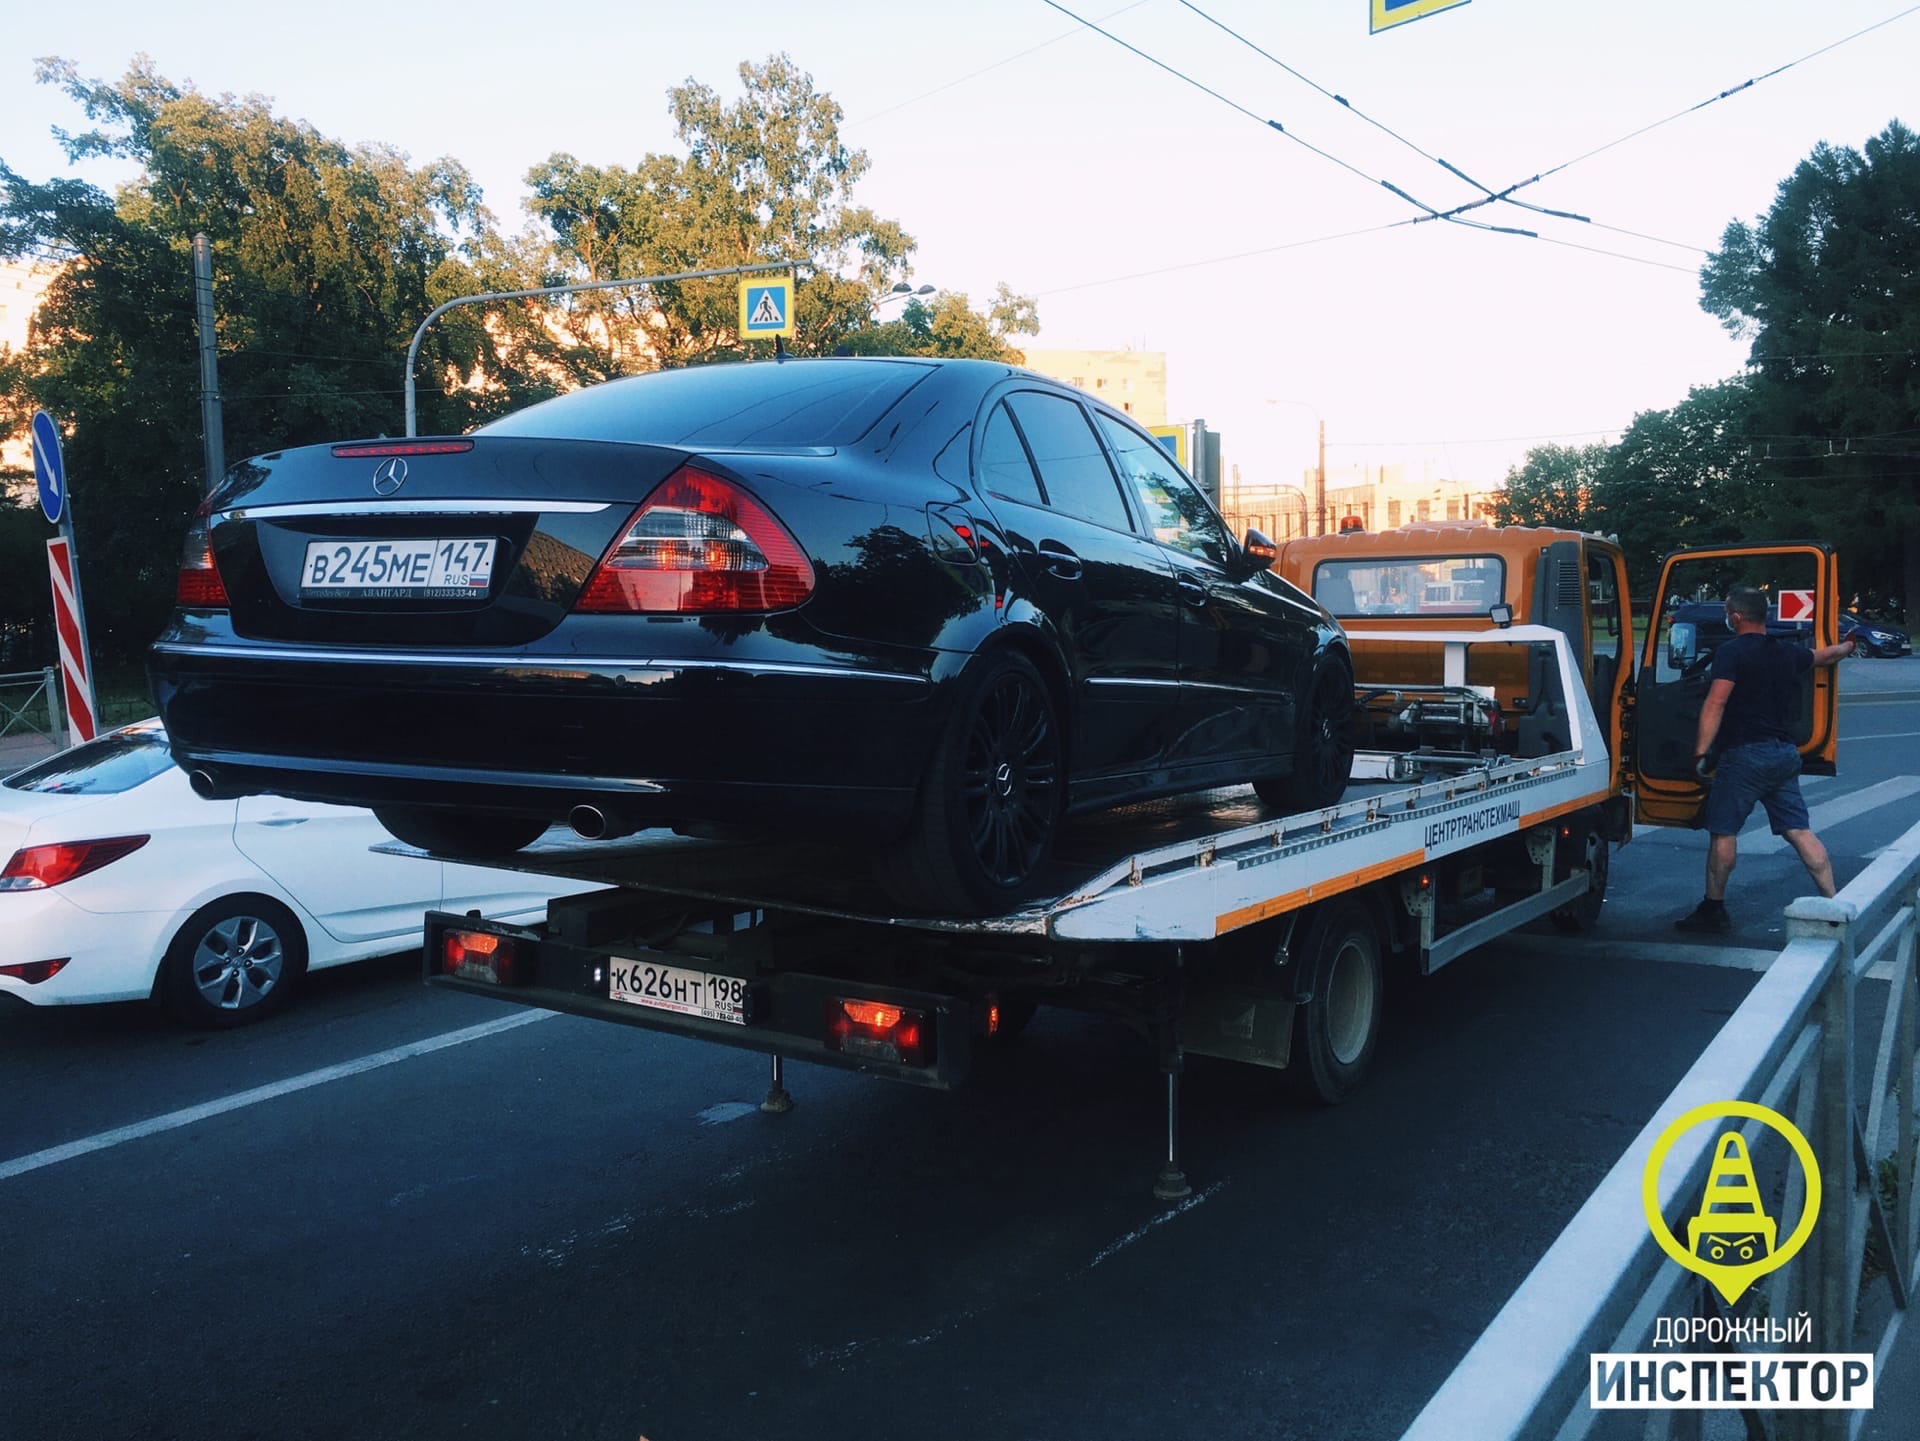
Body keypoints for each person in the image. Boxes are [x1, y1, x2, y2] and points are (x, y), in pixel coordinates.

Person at [1674, 586, 1857, 934]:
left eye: (1728, 612)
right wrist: (1848, 646)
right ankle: (1836, 905)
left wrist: (1700, 750)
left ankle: (1713, 909)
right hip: (1784, 755)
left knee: (1723, 832)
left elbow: (1716, 702)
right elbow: (1825, 656)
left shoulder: (1731, 653)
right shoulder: (1786, 652)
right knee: (1800, 831)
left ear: (1736, 617)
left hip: (1744, 756)